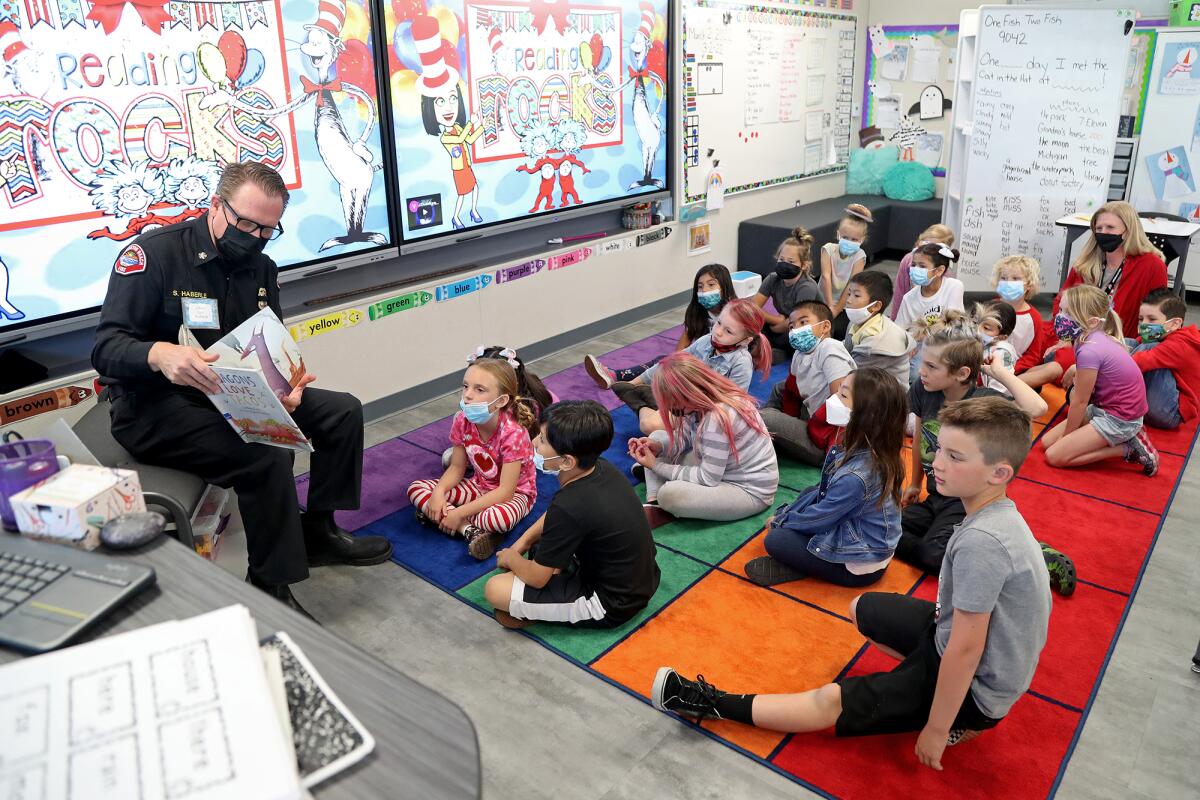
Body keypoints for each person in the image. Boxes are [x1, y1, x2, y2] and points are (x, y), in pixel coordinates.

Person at [652, 397, 1052, 773]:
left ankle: (710, 703)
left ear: (1000, 473)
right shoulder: (990, 514)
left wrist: (934, 727)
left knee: (828, 700)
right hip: (957, 640)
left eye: (954, 456)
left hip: (979, 685)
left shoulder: (983, 542)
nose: (936, 463)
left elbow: (966, 650)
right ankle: (925, 691)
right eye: (938, 449)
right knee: (862, 610)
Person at [91, 162, 391, 617]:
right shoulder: (155, 255)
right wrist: (160, 354)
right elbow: (107, 347)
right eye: (245, 223)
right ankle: (271, 586)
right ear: (215, 206)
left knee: (341, 412)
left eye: (268, 229)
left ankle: (320, 533)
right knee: (267, 456)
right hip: (154, 406)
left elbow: (270, 343)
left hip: (229, 395)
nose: (254, 236)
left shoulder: (261, 268)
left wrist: (283, 389)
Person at [483, 401, 661, 629]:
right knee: (539, 547)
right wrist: (523, 541)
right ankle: (550, 588)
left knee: (495, 589)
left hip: (610, 604)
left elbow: (537, 577)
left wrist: (511, 557)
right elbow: (560, 515)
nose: (534, 442)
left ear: (568, 461)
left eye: (543, 440)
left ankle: (542, 610)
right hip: (643, 580)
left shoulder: (570, 504)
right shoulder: (600, 467)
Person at [899, 312, 1049, 577]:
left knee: (931, 555)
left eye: (932, 367)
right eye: (924, 362)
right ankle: (957, 542)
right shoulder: (925, 390)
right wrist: (914, 482)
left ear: (962, 373)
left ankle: (1032, 551)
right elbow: (921, 435)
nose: (922, 371)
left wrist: (1000, 373)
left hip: (967, 501)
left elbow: (1037, 407)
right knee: (884, 525)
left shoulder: (982, 400)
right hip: (937, 495)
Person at [744, 368, 906, 588]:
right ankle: (807, 558)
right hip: (862, 536)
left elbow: (821, 518)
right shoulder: (870, 446)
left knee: (777, 540)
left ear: (867, 414)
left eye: (844, 396)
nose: (833, 399)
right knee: (809, 494)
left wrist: (782, 520)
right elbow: (824, 493)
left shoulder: (858, 474)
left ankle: (807, 566)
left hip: (860, 565)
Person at [1022, 202, 1168, 390]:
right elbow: (1061, 301)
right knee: (1029, 335)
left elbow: (1157, 313)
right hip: (1076, 333)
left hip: (1116, 339)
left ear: (1128, 230)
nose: (1103, 232)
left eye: (1110, 227)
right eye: (1098, 228)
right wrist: (1065, 337)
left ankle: (1007, 387)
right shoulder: (1087, 262)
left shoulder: (1151, 266)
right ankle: (1017, 381)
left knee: (1065, 360)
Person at [407, 357, 538, 560]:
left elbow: (505, 492)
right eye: (466, 386)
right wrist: (439, 492)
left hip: (516, 494)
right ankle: (469, 530)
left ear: (502, 400)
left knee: (496, 519)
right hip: (478, 486)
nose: (467, 395)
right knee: (417, 488)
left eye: (479, 390)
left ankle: (447, 517)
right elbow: (457, 467)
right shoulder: (462, 419)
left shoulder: (513, 433)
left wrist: (458, 513)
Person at [628, 353, 778, 522]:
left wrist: (656, 466)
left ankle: (661, 491)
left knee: (670, 495)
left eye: (671, 403)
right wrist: (658, 446)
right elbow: (686, 436)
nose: (669, 409)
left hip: (747, 490)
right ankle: (653, 501)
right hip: (721, 467)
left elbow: (708, 478)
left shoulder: (717, 418)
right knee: (657, 437)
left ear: (686, 394)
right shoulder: (698, 403)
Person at [608, 299, 771, 435]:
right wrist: (634, 383)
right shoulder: (707, 341)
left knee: (648, 426)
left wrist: (688, 412)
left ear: (745, 340)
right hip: (685, 401)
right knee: (663, 376)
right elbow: (673, 361)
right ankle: (641, 393)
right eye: (719, 323)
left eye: (728, 331)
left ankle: (640, 403)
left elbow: (731, 408)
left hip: (702, 414)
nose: (718, 332)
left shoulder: (741, 363)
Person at [1041, 285, 1158, 476]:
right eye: (1061, 310)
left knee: (1054, 456)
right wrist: (1074, 367)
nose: (1060, 317)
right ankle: (1121, 440)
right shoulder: (1087, 337)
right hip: (1104, 408)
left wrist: (1067, 438)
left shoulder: (1089, 349)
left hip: (1120, 419)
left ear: (1093, 321)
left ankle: (1128, 448)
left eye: (1068, 313)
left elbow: (1079, 402)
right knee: (1046, 442)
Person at [586, 263, 736, 385]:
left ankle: (624, 379)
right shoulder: (697, 313)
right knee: (663, 361)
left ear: (724, 287)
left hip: (721, 368)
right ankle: (619, 378)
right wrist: (675, 364)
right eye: (700, 287)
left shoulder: (734, 314)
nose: (705, 291)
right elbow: (683, 346)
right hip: (698, 363)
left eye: (711, 285)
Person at [760, 301, 856, 465]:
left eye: (803, 322)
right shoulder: (799, 353)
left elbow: (840, 406)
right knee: (780, 388)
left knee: (764, 417)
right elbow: (790, 391)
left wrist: (833, 454)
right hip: (813, 416)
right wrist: (788, 421)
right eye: (791, 326)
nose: (796, 329)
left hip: (825, 439)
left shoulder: (830, 348)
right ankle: (767, 434)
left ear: (825, 327)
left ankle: (763, 429)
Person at [1127, 288, 1199, 430]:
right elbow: (1134, 347)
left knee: (1147, 348)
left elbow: (1137, 362)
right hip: (1160, 404)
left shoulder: (1180, 344)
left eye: (1152, 319)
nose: (1143, 324)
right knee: (1129, 343)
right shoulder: (1164, 337)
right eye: (1141, 319)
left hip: (1170, 414)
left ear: (1175, 323)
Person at [752, 227, 821, 363]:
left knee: (797, 332)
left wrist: (777, 326)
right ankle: (771, 348)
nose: (784, 264)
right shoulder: (773, 278)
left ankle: (779, 351)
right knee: (752, 322)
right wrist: (775, 320)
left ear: (803, 265)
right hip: (783, 323)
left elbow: (798, 321)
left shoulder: (806, 287)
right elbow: (752, 308)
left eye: (791, 262)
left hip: (804, 325)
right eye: (781, 259)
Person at [842, 270, 913, 387]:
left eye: (856, 295)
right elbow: (846, 348)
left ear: (876, 306)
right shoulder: (857, 322)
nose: (849, 300)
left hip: (886, 399)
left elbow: (854, 374)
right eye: (849, 293)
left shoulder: (877, 341)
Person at [820, 205, 873, 340]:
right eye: (845, 237)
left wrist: (836, 310)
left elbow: (852, 284)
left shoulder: (859, 256)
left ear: (862, 239)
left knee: (840, 332)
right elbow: (826, 277)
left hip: (844, 303)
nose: (849, 242)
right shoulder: (828, 249)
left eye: (854, 239)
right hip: (823, 299)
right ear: (838, 234)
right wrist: (829, 306)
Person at [991, 255, 1044, 374]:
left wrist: (1011, 370)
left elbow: (1033, 355)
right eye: (1003, 278)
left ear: (1029, 285)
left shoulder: (1034, 318)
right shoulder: (989, 308)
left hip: (1016, 371)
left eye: (1015, 278)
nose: (1008, 282)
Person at [890, 224, 956, 320]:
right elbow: (899, 293)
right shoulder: (908, 259)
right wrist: (894, 322)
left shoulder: (948, 276)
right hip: (909, 316)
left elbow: (949, 313)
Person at [975, 301, 1019, 397]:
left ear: (1002, 337)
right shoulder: (986, 345)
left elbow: (999, 389)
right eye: (977, 323)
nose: (978, 330)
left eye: (986, 328)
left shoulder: (1001, 353)